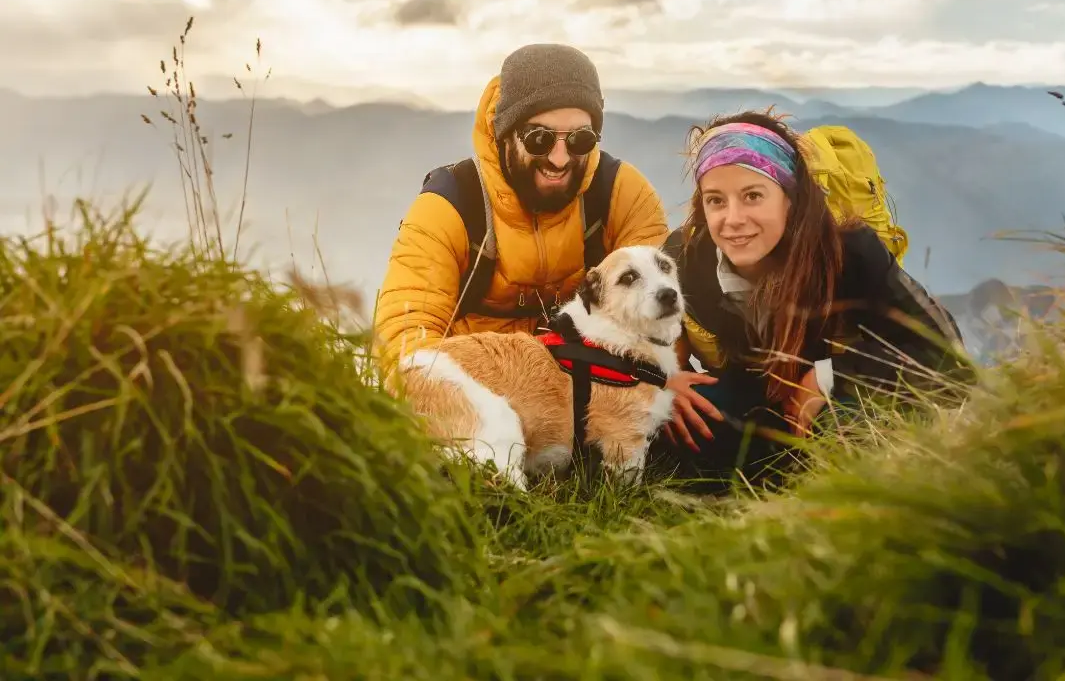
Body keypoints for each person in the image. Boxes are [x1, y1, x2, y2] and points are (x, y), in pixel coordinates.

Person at [653, 110, 966, 489]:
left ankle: (852, 508)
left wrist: (826, 377)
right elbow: (634, 340)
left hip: (836, 402)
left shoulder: (850, 252)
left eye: (753, 196)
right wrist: (660, 381)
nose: (732, 219)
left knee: (847, 428)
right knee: (672, 420)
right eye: (715, 200)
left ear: (791, 199)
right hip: (751, 399)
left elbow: (949, 358)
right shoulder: (683, 258)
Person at [374, 43, 668, 374]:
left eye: (579, 140)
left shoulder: (621, 193)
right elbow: (404, 346)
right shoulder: (449, 206)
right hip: (473, 396)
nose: (560, 159)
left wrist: (656, 381)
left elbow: (665, 311)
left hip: (601, 390)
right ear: (505, 134)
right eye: (539, 139)